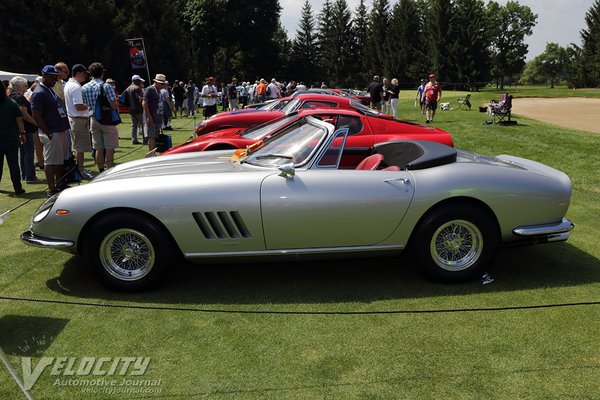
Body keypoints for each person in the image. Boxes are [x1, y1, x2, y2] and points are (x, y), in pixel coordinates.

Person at [31, 65, 71, 196]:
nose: (55, 79)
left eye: (56, 77)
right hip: (51, 131)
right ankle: (51, 188)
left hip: (59, 129)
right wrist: (47, 131)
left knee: (58, 160)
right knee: (50, 161)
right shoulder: (39, 92)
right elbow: (36, 114)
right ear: (44, 76)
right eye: (52, 77)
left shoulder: (50, 89)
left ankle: (60, 184)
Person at [81, 62, 119, 172]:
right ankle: (110, 169)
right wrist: (116, 102)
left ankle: (101, 169)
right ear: (102, 73)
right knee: (109, 146)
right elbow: (113, 105)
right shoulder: (106, 86)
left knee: (98, 147)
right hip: (106, 119)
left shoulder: (84, 87)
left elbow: (85, 104)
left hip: (93, 118)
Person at [64, 64, 94, 180]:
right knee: (80, 148)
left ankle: (80, 168)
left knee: (78, 147)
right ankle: (81, 169)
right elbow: (78, 106)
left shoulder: (68, 85)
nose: (85, 76)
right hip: (78, 119)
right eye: (84, 74)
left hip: (73, 118)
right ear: (77, 73)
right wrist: (90, 105)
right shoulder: (76, 87)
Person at [8, 76, 40, 183]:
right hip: (25, 129)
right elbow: (23, 113)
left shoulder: (11, 96)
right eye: (24, 84)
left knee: (23, 153)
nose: (26, 86)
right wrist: (36, 123)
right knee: (28, 152)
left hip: (18, 129)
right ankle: (30, 176)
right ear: (18, 86)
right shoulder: (19, 98)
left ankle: (25, 175)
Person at [0, 80, 27, 195]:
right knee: (14, 165)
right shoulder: (11, 103)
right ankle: (18, 188)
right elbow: (19, 119)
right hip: (11, 139)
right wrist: (22, 133)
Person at [142, 73, 168, 151]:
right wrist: (149, 116)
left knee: (155, 136)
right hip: (151, 117)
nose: (162, 85)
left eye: (163, 84)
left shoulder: (159, 91)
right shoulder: (150, 89)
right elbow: (144, 103)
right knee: (151, 137)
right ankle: (151, 155)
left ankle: (153, 152)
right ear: (156, 82)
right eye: (161, 84)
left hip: (158, 118)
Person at [125, 74, 145, 144]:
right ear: (136, 81)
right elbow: (139, 99)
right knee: (143, 125)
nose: (140, 81)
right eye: (139, 80)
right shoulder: (137, 88)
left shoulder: (128, 88)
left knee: (134, 125)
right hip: (139, 109)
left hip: (131, 110)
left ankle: (134, 139)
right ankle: (145, 139)